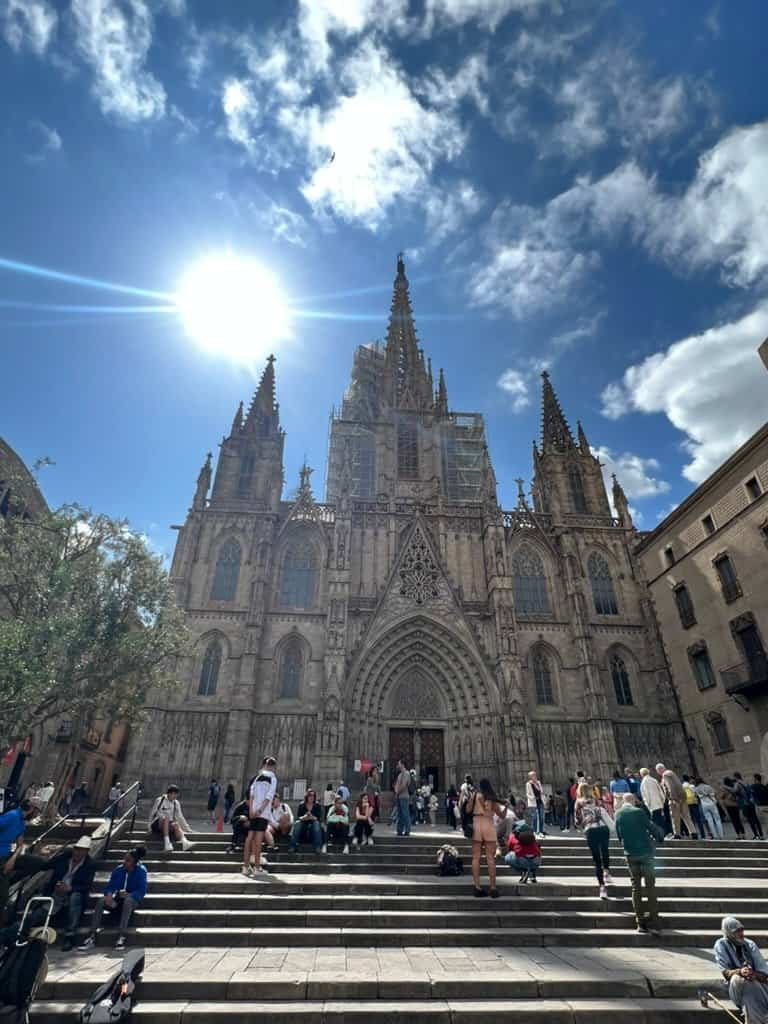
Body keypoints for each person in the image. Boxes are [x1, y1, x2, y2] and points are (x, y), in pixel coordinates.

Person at [79, 845, 148, 952]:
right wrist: (109, 895)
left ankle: (121, 936)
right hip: (117, 900)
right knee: (101, 901)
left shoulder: (141, 871)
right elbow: (110, 887)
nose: (125, 862)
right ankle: (92, 935)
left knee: (128, 901)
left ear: (134, 862)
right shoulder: (118, 870)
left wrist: (130, 895)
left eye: (128, 860)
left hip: (130, 901)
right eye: (124, 859)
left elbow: (142, 891)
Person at [615, 793, 664, 935]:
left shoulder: (618, 814)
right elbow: (650, 827)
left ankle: (640, 922)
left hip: (630, 854)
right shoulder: (639, 812)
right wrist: (659, 837)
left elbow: (619, 835)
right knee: (650, 887)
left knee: (635, 888)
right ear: (634, 801)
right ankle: (654, 922)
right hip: (646, 853)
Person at [42, 835, 96, 951]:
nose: (77, 852)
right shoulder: (64, 858)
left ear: (86, 852)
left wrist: (70, 888)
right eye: (76, 849)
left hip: (73, 893)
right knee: (39, 912)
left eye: (81, 850)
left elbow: (86, 886)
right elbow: (46, 865)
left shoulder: (90, 865)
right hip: (57, 893)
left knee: (75, 897)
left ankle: (70, 936)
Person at [714, 916, 768, 1021]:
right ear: (728, 932)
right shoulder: (721, 945)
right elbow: (725, 972)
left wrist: (754, 975)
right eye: (736, 931)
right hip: (736, 987)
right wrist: (740, 972)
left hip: (756, 985)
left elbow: (764, 973)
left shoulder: (750, 944)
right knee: (739, 979)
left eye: (741, 930)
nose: (741, 933)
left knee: (749, 987)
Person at [466, 778, 507, 898]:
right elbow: (502, 816)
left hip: (477, 824)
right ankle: (493, 888)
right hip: (489, 825)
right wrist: (506, 806)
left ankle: (477, 887)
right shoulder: (492, 799)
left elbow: (468, 810)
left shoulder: (475, 795)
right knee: (490, 859)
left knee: (475, 858)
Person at [0, 800, 40, 918]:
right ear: (31, 809)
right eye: (37, 812)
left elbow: (20, 844)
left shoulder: (21, 823)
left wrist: (13, 858)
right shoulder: (12, 816)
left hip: (6, 857)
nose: (36, 815)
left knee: (37, 863)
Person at [574, 781, 613, 900]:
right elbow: (605, 812)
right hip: (603, 828)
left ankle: (602, 888)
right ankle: (606, 872)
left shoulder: (578, 803)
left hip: (591, 831)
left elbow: (577, 822)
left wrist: (583, 824)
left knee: (596, 860)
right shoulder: (597, 800)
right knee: (605, 850)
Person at [243, 756, 277, 877]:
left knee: (249, 839)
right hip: (262, 813)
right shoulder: (272, 778)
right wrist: (261, 810)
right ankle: (257, 868)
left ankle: (245, 867)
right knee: (258, 841)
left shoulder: (256, 777)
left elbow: (251, 795)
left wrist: (252, 810)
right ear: (272, 766)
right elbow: (269, 796)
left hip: (253, 812)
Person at [149, 785, 196, 853]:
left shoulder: (176, 803)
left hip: (168, 825)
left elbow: (180, 817)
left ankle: (185, 842)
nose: (175, 796)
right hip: (157, 824)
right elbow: (152, 813)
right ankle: (167, 844)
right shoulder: (160, 800)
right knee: (166, 817)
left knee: (176, 823)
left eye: (176, 794)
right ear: (169, 793)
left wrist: (188, 829)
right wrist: (149, 827)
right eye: (173, 794)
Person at [656, 763, 697, 839]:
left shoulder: (665, 775)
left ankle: (677, 834)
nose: (657, 773)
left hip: (674, 799)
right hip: (682, 797)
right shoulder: (671, 773)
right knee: (686, 816)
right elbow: (679, 785)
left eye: (657, 771)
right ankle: (693, 832)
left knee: (675, 817)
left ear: (660, 769)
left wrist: (674, 799)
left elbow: (670, 787)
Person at [290, 789, 323, 854]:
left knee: (316, 823)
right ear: (307, 797)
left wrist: (311, 817)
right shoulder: (302, 805)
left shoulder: (317, 805)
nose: (312, 797)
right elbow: (299, 817)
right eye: (310, 796)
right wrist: (305, 817)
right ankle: (292, 846)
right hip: (303, 825)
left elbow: (319, 819)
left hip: (313, 826)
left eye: (313, 796)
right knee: (297, 823)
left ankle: (318, 847)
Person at [734, 772, 764, 840]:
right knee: (756, 819)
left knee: (750, 821)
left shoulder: (737, 784)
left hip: (745, 804)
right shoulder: (746, 782)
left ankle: (756, 835)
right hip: (751, 803)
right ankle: (761, 835)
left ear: (735, 777)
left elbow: (734, 791)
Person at [640, 768, 667, 833]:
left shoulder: (644, 782)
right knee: (661, 819)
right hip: (659, 803)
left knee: (654, 821)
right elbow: (660, 791)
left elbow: (646, 795)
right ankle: (664, 833)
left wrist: (647, 804)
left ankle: (657, 834)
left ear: (641, 774)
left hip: (652, 805)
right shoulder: (654, 780)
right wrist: (662, 801)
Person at [682, 774, 705, 839]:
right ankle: (703, 834)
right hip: (694, 803)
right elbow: (696, 793)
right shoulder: (691, 786)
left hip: (687, 804)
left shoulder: (682, 786)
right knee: (698, 820)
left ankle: (694, 833)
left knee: (691, 820)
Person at [526, 771, 546, 837]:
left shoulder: (538, 782)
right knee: (534, 817)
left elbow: (542, 791)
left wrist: (537, 785)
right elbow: (528, 794)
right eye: (533, 775)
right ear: (530, 777)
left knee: (542, 817)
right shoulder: (528, 784)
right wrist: (533, 797)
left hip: (540, 802)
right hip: (533, 802)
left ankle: (541, 831)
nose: (535, 776)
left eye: (535, 775)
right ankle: (534, 831)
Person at [394, 760, 411, 837]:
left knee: (405, 814)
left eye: (399, 764)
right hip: (399, 796)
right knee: (399, 814)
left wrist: (397, 791)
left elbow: (404, 785)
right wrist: (396, 791)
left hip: (404, 796)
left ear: (403, 765)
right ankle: (399, 830)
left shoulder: (406, 773)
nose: (398, 765)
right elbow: (397, 784)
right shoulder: (400, 775)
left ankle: (407, 830)